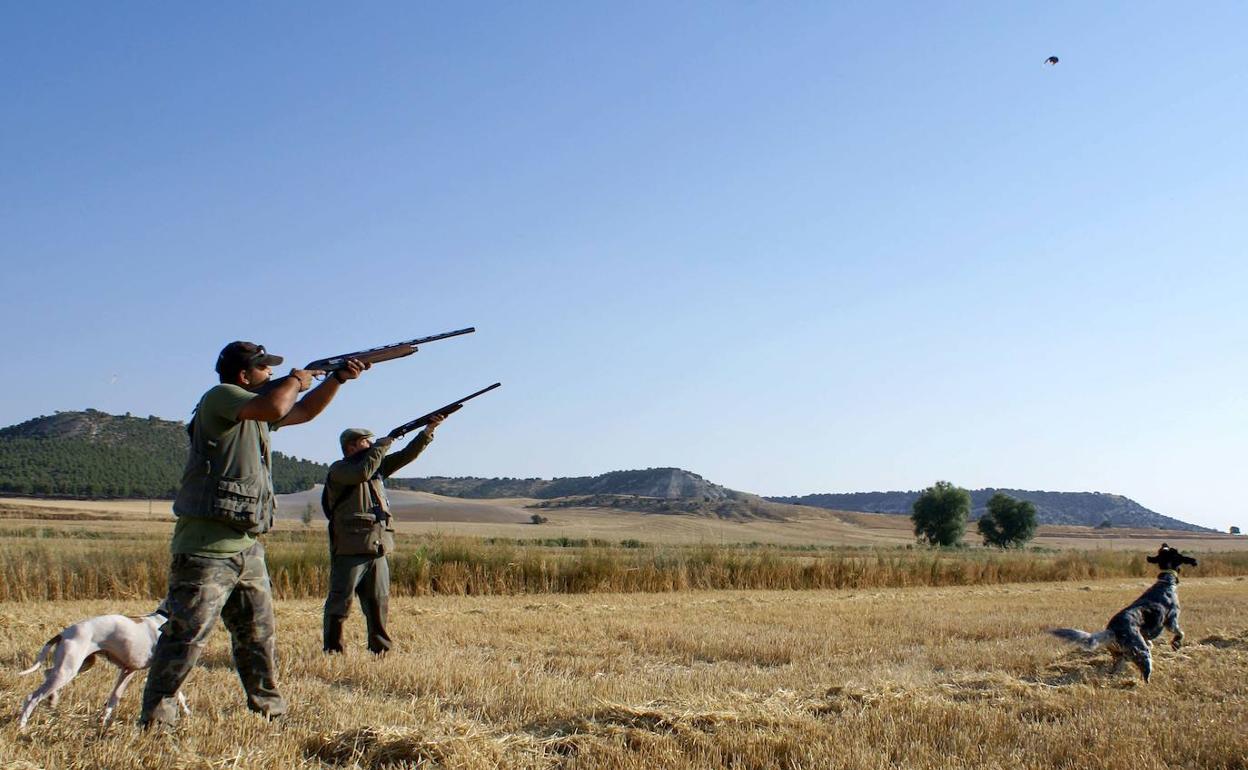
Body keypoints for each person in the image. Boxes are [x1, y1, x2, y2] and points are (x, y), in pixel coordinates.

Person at [139, 341, 368, 728]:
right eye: (264, 368)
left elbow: (304, 411)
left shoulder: (254, 413)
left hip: (247, 547)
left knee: (259, 636)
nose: (271, 373)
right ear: (244, 376)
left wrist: (337, 380)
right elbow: (278, 405)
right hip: (206, 548)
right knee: (186, 636)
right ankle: (157, 720)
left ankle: (270, 713)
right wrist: (297, 379)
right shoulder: (222, 397)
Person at [322, 413, 445, 654]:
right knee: (340, 602)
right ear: (351, 446)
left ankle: (380, 651)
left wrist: (428, 431)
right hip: (350, 548)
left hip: (378, 547)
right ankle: (333, 652)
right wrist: (383, 445)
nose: (371, 444)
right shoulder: (340, 470)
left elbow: (406, 456)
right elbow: (362, 472)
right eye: (366, 442)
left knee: (379, 602)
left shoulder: (375, 466)